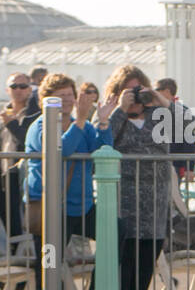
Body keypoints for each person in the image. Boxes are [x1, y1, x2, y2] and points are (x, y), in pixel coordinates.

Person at [105, 65, 175, 290]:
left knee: (149, 253)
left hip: (156, 196)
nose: (134, 96)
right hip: (126, 196)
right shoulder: (113, 115)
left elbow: (186, 126)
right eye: (129, 90)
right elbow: (103, 137)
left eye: (138, 89)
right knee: (128, 254)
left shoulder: (158, 115)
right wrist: (119, 108)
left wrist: (159, 99)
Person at [23, 72, 116, 246]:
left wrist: (103, 122)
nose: (66, 100)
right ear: (47, 100)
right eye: (60, 96)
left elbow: (103, 151)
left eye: (69, 95)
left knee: (116, 232)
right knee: (49, 263)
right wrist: (80, 119)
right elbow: (60, 150)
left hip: (82, 206)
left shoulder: (85, 126)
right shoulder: (39, 127)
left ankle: (101, 274)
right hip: (51, 207)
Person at [2, 72, 40, 238]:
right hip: (4, 172)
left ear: (30, 89)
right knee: (7, 211)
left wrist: (11, 124)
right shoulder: (4, 113)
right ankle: (13, 246)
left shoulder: (35, 114)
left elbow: (27, 141)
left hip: (22, 172)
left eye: (23, 86)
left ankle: (25, 248)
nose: (18, 90)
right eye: (14, 86)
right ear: (7, 89)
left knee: (23, 214)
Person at [154, 78, 195, 178]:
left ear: (167, 91)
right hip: (158, 163)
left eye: (157, 90)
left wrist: (189, 168)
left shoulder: (182, 112)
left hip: (175, 164)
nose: (155, 93)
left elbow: (189, 140)